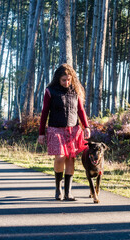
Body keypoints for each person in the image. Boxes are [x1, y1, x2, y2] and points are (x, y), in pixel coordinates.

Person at [38, 63, 90, 201]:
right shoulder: (50, 91)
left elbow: (80, 110)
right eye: (63, 80)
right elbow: (44, 112)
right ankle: (58, 189)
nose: (66, 82)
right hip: (55, 129)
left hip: (73, 129)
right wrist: (41, 133)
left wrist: (86, 127)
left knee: (70, 159)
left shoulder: (76, 91)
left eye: (69, 80)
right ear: (58, 79)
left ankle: (68, 192)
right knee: (60, 157)